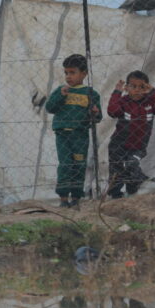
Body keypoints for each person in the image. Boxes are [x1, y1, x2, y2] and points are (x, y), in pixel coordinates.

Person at [45, 54, 102, 208]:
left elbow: (98, 118)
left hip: (80, 136)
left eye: (72, 72)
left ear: (84, 74)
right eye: (66, 73)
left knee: (79, 164)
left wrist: (95, 113)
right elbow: (49, 108)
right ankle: (63, 198)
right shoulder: (61, 90)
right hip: (63, 135)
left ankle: (76, 197)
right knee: (65, 164)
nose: (68, 76)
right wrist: (60, 96)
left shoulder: (91, 94)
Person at [106, 70, 155, 198]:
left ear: (146, 88)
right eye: (133, 86)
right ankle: (115, 195)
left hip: (139, 146)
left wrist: (153, 91)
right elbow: (112, 111)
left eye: (142, 87)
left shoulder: (149, 103)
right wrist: (117, 92)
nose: (137, 90)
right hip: (118, 145)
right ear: (126, 88)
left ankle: (133, 190)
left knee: (132, 164)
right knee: (116, 170)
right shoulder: (124, 102)